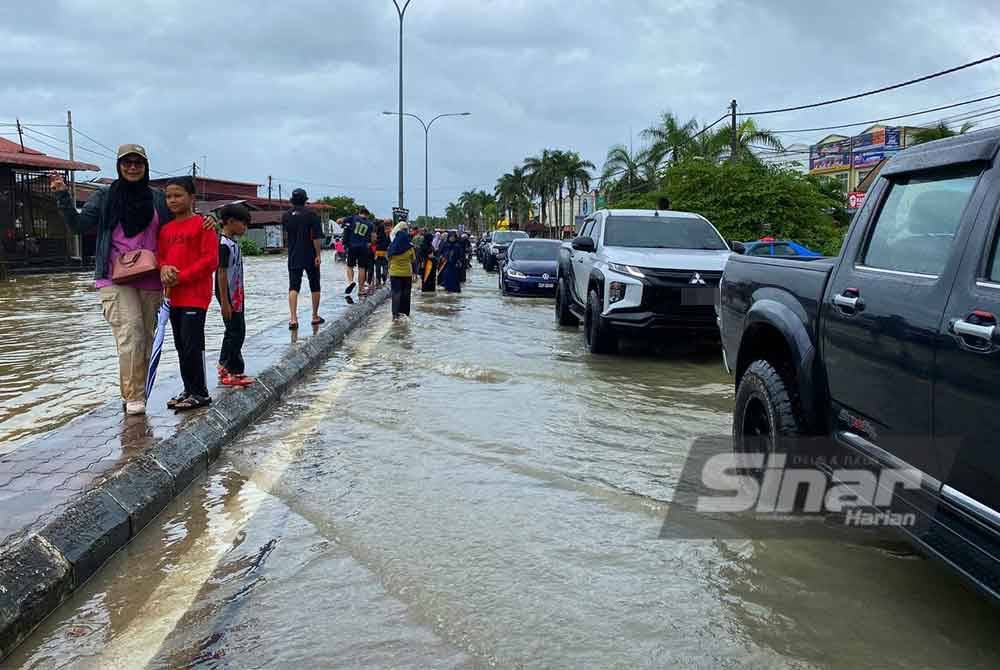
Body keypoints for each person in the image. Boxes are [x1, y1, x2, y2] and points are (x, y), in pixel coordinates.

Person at [50, 143, 212, 416]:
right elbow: (78, 226)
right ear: (119, 166)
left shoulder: (157, 198)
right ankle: (133, 395)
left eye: (138, 163)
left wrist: (208, 220)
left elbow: (182, 219)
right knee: (131, 333)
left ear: (145, 166)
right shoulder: (104, 197)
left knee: (147, 338)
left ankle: (141, 392)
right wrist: (63, 197)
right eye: (128, 163)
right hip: (115, 278)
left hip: (151, 277)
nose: (133, 167)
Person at [158, 176, 218, 411]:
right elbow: (161, 256)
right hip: (173, 296)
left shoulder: (203, 225)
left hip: (195, 295)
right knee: (181, 345)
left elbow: (210, 261)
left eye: (178, 195)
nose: (172, 200)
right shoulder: (165, 229)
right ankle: (189, 388)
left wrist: (180, 276)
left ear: (192, 198)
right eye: (169, 196)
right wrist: (163, 268)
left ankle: (201, 392)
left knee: (193, 344)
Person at [216, 203, 254, 388]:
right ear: (230, 222)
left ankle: (236, 369)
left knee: (239, 331)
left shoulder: (233, 244)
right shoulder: (223, 245)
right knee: (234, 332)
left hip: (236, 293)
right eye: (243, 224)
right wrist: (225, 302)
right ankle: (225, 367)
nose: (245, 228)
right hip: (228, 294)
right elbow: (221, 274)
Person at [282, 188, 324, 329]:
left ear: (292, 200)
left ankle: (293, 318)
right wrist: (318, 255)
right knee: (315, 285)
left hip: (294, 255)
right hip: (310, 255)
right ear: (305, 200)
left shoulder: (286, 215)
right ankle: (314, 316)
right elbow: (316, 237)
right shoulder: (312, 214)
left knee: (293, 286)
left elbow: (286, 236)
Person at [338, 208, 373, 295]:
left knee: (350, 266)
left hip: (352, 246)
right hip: (363, 248)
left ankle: (350, 282)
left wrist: (343, 221)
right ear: (367, 215)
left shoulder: (353, 218)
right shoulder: (370, 224)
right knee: (362, 268)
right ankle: (361, 290)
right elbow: (372, 238)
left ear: (359, 213)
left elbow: (339, 221)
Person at [387, 222, 415, 320]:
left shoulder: (392, 246)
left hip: (394, 273)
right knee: (406, 293)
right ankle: (405, 313)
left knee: (396, 293)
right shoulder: (410, 247)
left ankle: (395, 314)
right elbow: (413, 260)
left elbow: (388, 258)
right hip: (407, 273)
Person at [373, 221, 390, 288]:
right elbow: (389, 243)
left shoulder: (376, 236)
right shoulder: (386, 236)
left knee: (378, 268)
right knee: (385, 267)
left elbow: (374, 244)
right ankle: (384, 278)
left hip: (377, 254)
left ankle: (378, 282)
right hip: (385, 254)